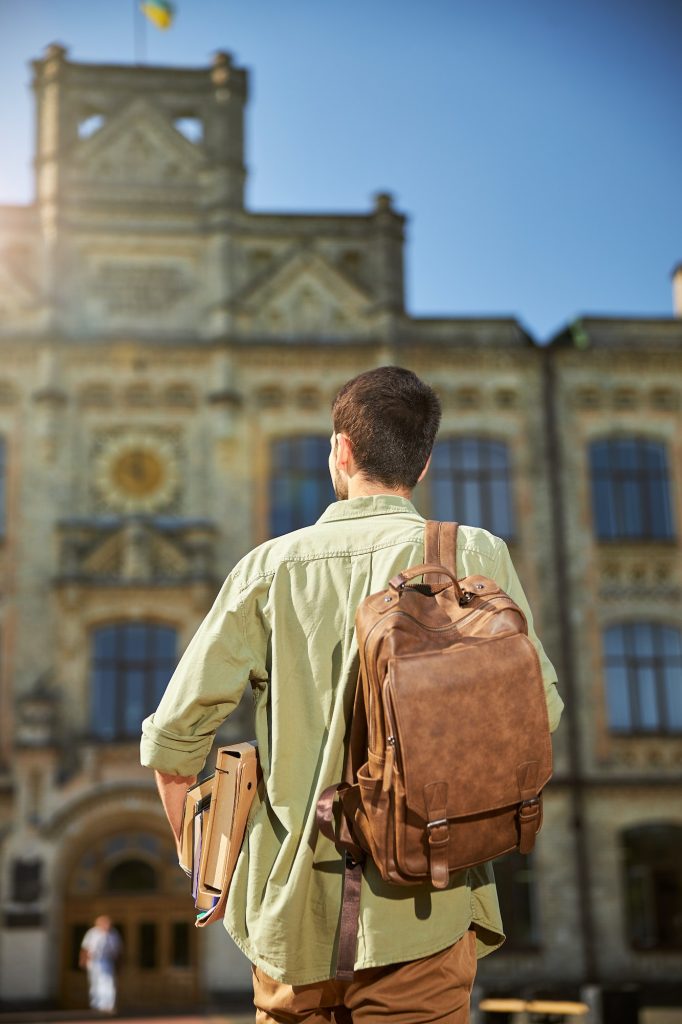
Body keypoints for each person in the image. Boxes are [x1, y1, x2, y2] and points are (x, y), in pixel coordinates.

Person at [141, 366, 564, 1023]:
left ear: (340, 450)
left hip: (289, 931)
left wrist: (203, 867)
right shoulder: (471, 554)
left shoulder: (268, 568)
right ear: (423, 464)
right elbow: (544, 714)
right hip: (427, 904)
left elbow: (173, 741)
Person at [79, 914, 122, 1015]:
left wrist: (118, 962)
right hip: (94, 961)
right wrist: (83, 960)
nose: (106, 926)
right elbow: (85, 948)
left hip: (107, 960)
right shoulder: (92, 933)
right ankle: (96, 1005)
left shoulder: (113, 934)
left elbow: (117, 950)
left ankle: (108, 1005)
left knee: (108, 983)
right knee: (95, 983)